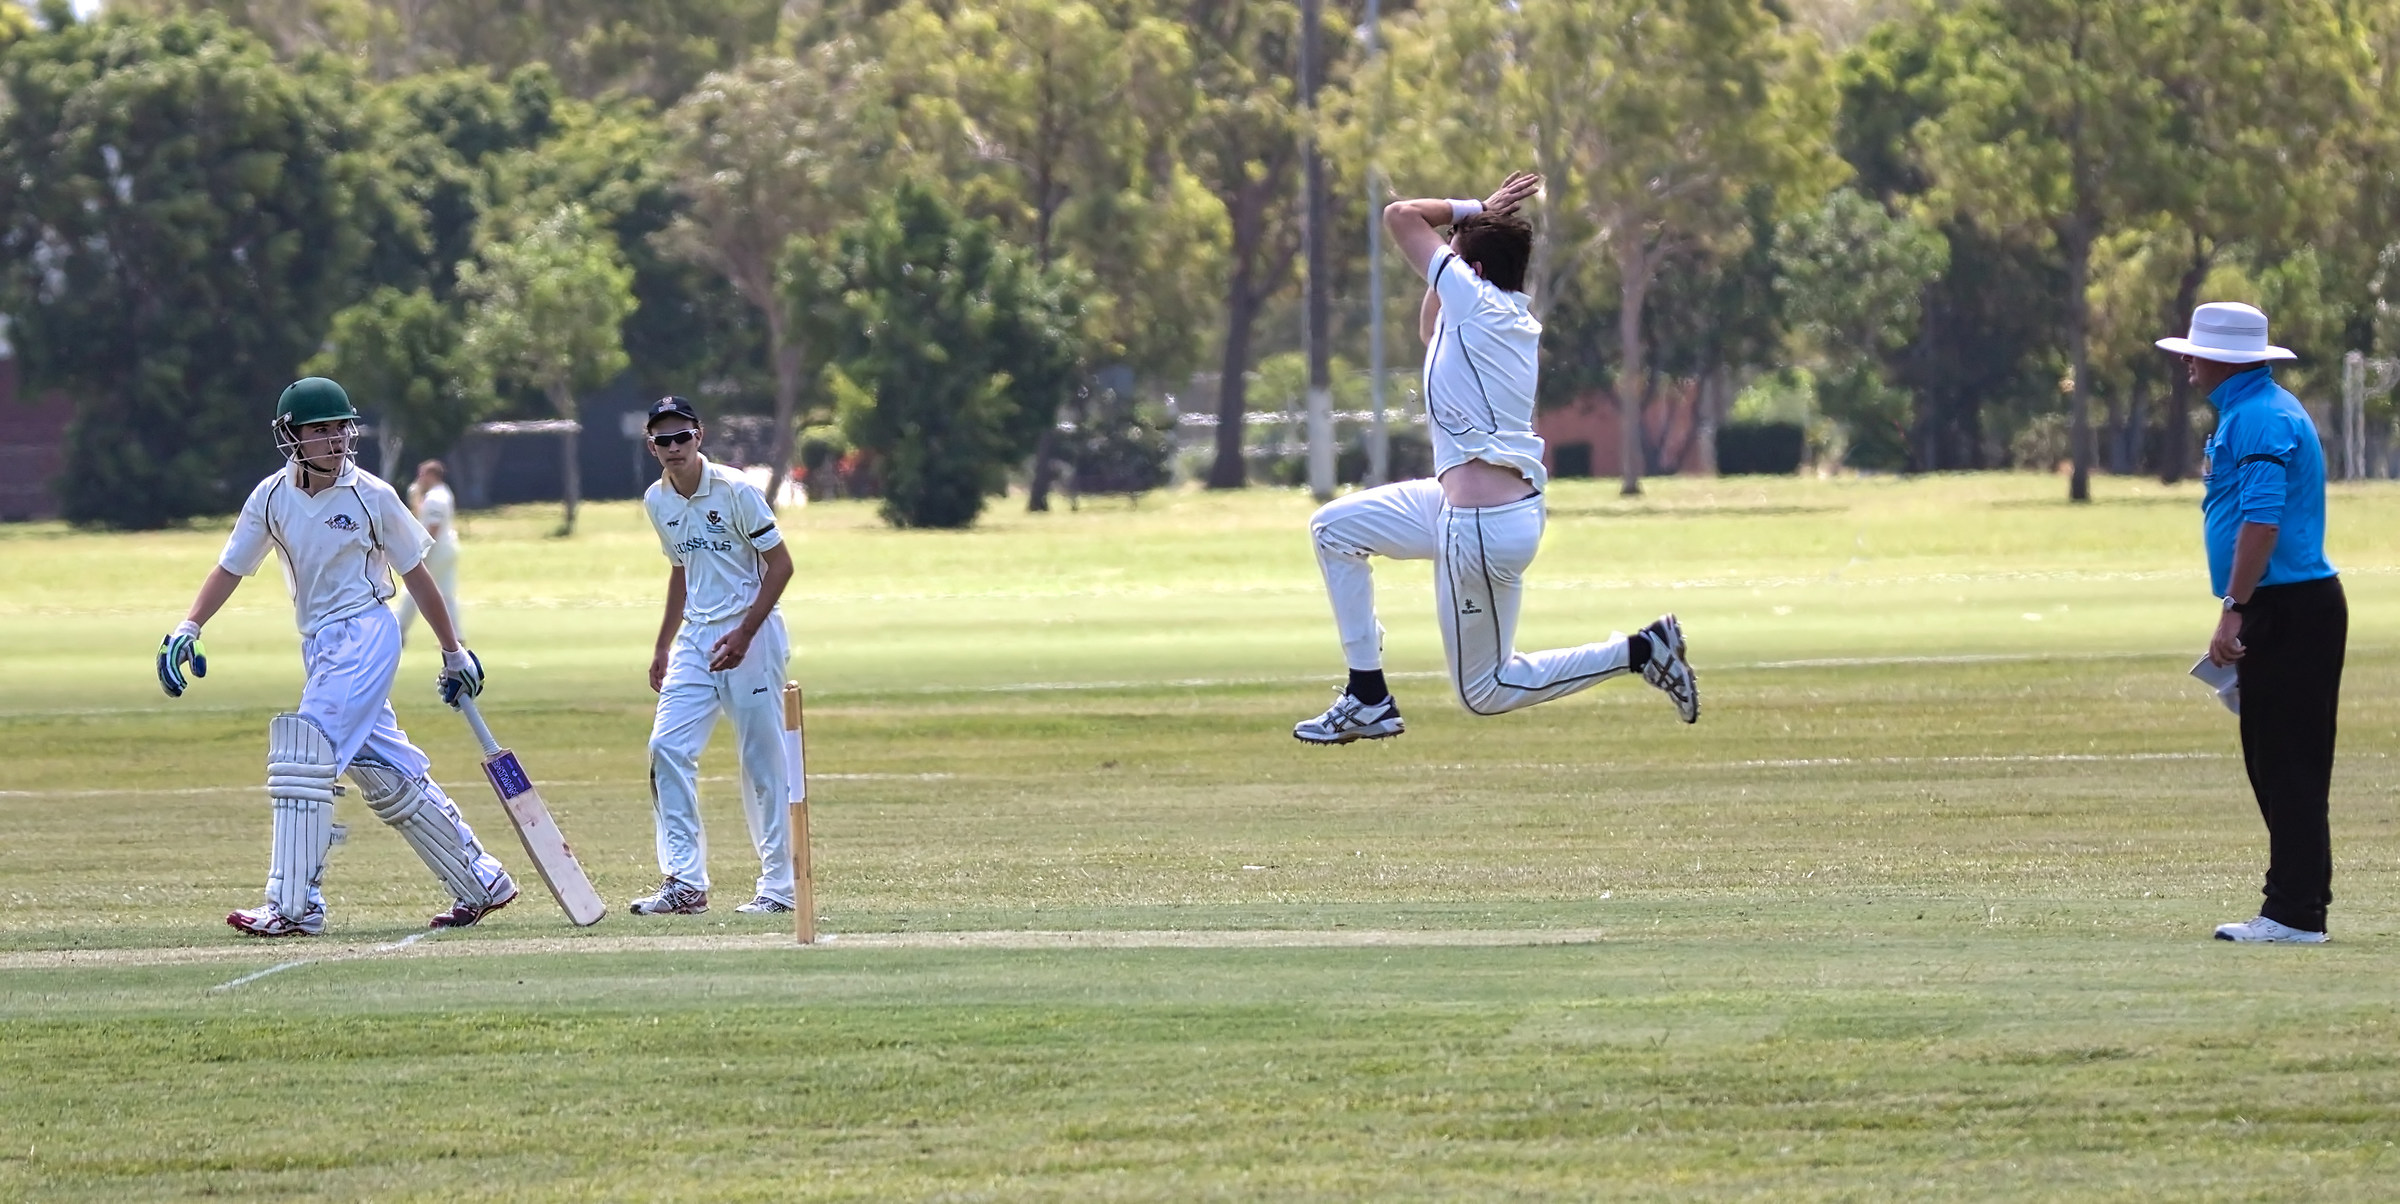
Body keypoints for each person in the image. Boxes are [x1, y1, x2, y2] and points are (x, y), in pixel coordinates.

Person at [1292, 172, 1699, 744]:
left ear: (1473, 271)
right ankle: (1367, 694)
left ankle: (1640, 651)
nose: (1443, 256)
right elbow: (1428, 327)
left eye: (1453, 253)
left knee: (1486, 691)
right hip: (1468, 508)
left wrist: (1473, 208)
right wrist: (1469, 231)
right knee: (1334, 529)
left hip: (1482, 526)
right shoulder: (1497, 313)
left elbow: (1400, 215)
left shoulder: (1478, 304)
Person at [156, 377, 517, 937]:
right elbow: (231, 566)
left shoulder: (372, 494)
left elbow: (417, 576)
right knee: (383, 771)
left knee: (303, 757)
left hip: (365, 632)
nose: (335, 439)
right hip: (321, 643)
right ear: (292, 436)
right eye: (320, 429)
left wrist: (453, 651)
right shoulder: (271, 497)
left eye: (341, 428)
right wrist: (190, 625)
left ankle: (294, 905)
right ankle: (481, 880)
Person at [2158, 302, 2346, 944]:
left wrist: (2234, 608)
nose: (2188, 360)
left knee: (2287, 766)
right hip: (2283, 605)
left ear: (2226, 360)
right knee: (2278, 763)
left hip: (2286, 607)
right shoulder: (2250, 411)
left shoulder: (2260, 417)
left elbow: (2262, 523)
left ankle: (2294, 913)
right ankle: (2299, 904)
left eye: (2197, 351)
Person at [631, 396, 799, 916]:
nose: (674, 446)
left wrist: (745, 633)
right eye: (663, 439)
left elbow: (781, 566)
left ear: (699, 436)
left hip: (751, 632)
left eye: (682, 436)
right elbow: (681, 571)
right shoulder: (657, 500)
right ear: (652, 446)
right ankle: (685, 882)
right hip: (695, 637)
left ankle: (780, 888)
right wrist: (663, 644)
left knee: (762, 760)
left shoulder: (736, 489)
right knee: (666, 747)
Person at [394, 459, 461, 645]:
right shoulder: (441, 493)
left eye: (422, 474)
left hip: (436, 550)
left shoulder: (435, 498)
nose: (419, 479)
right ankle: (456, 637)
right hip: (446, 548)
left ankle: (398, 630)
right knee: (446, 594)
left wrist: (421, 551)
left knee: (413, 589)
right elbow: (422, 517)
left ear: (432, 475)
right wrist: (416, 498)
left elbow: (432, 528)